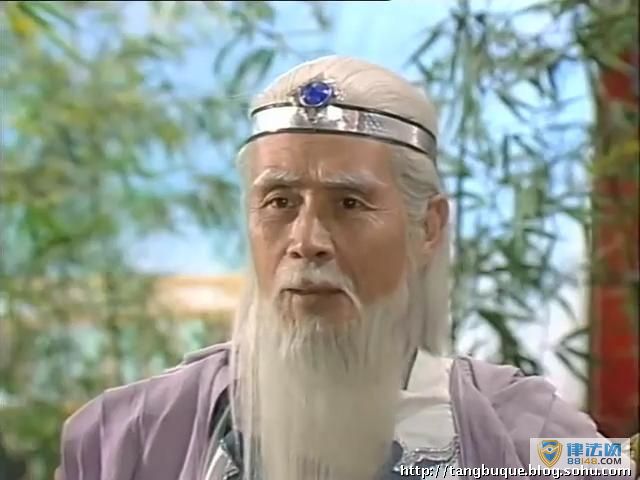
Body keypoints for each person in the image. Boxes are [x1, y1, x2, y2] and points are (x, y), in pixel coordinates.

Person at [57, 56, 636, 480]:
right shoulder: (126, 436)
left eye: (350, 204)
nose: (306, 242)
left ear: (427, 227)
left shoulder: (520, 435)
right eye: (279, 202)